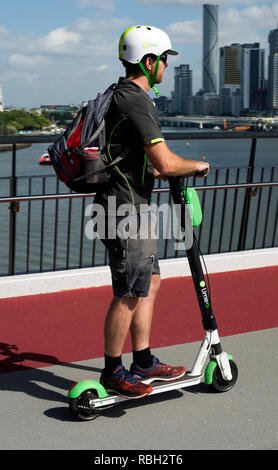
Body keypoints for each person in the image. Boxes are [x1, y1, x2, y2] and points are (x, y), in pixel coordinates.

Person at [93, 25, 210, 399]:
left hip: (129, 205)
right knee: (128, 292)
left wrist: (167, 167)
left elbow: (147, 164)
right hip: (123, 209)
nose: (166, 67)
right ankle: (113, 371)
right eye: (163, 60)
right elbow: (165, 161)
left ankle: (142, 360)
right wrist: (196, 165)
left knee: (149, 282)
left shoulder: (120, 95)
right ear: (148, 61)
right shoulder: (136, 100)